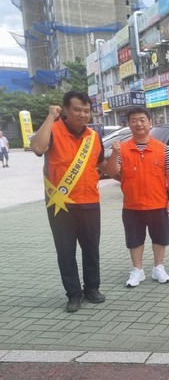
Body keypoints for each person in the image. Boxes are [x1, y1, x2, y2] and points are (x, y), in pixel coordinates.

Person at [29, 91, 106, 313]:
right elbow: (37, 148)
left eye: (86, 111)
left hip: (90, 201)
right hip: (60, 204)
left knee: (91, 248)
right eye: (77, 110)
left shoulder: (94, 136)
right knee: (65, 251)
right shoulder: (52, 130)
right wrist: (49, 118)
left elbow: (100, 164)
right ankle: (73, 294)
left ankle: (92, 288)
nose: (83, 115)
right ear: (65, 110)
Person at [105, 106, 169, 288]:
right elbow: (112, 171)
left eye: (142, 120)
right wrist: (114, 153)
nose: (139, 124)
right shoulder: (121, 149)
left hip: (157, 202)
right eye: (134, 120)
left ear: (150, 123)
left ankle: (158, 267)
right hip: (132, 205)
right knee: (134, 239)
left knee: (160, 237)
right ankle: (137, 270)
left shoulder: (162, 149)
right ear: (129, 124)